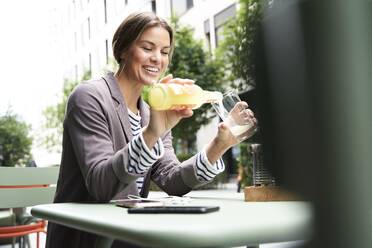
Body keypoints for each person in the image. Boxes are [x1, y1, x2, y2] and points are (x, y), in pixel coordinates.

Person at [46, 11, 257, 248]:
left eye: (165, 52)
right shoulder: (89, 97)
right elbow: (100, 186)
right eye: (147, 48)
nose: (158, 58)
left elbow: (172, 180)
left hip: (130, 232)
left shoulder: (150, 111)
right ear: (123, 49)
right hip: (89, 237)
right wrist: (151, 134)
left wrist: (219, 145)